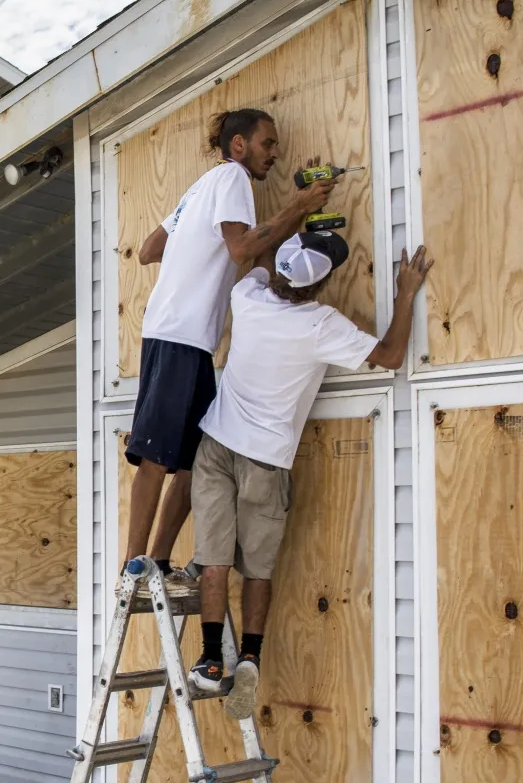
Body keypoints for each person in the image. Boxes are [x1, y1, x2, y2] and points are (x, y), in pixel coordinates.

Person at [186, 232, 433, 718]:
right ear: (321, 286)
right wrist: (405, 293)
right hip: (265, 459)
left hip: (216, 444)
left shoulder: (247, 296)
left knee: (212, 561)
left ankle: (211, 660)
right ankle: (251, 655)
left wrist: (298, 213)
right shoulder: (321, 324)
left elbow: (254, 259)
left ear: (279, 272)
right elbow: (390, 356)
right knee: (257, 567)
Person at [124, 109, 336, 582]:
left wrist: (191, 243)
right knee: (158, 456)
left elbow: (148, 250)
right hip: (179, 331)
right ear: (238, 145)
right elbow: (241, 249)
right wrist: (299, 207)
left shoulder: (201, 187)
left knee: (191, 461)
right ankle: (133, 565)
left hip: (187, 336)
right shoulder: (233, 178)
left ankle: (156, 561)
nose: (275, 154)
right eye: (268, 144)